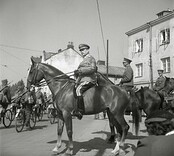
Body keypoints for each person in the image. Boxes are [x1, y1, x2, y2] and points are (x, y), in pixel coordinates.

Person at [72, 44, 97, 120]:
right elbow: (80, 74)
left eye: (83, 50)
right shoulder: (84, 60)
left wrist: (80, 70)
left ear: (87, 50)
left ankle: (80, 111)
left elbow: (93, 69)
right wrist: (76, 80)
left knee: (78, 90)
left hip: (89, 80)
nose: (82, 52)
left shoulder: (91, 58)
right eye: (81, 50)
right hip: (82, 80)